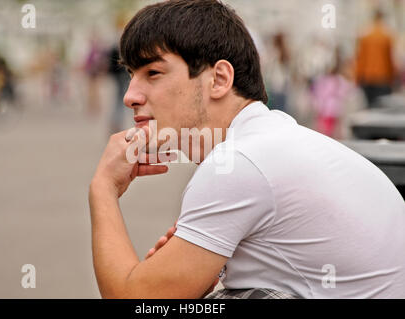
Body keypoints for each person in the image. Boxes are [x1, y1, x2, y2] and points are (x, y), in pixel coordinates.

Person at [89, 0, 405, 299]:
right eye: (131, 75)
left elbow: (136, 298)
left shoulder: (239, 163)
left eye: (152, 73)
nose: (130, 96)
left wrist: (104, 187)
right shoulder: (273, 138)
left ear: (219, 79)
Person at [355, 10, 396, 108]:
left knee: (370, 107)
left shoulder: (365, 36)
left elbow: (360, 58)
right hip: (383, 77)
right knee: (382, 109)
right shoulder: (386, 36)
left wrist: (358, 78)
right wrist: (391, 78)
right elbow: (389, 59)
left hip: (367, 77)